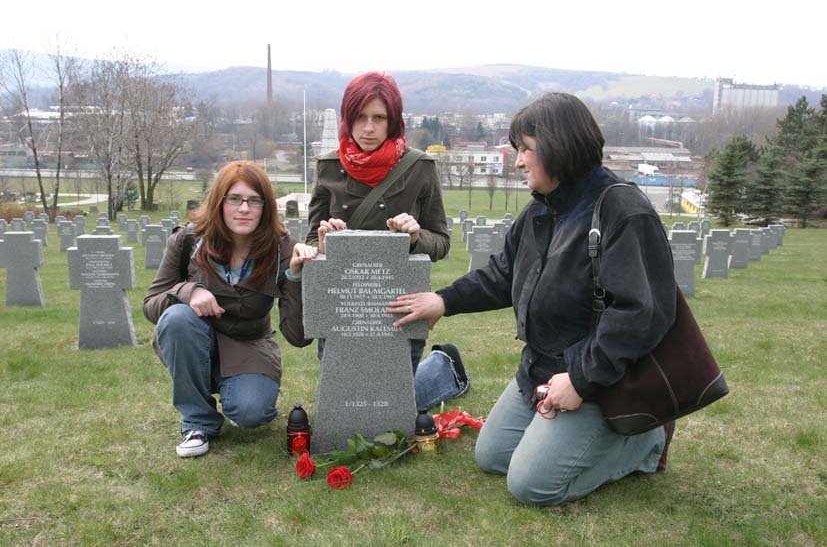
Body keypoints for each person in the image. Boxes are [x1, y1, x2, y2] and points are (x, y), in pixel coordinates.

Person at [389, 93, 676, 505]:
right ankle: (561, 435)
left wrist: (580, 380)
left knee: (530, 485)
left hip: (602, 379)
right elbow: (503, 274)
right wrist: (443, 301)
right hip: (540, 367)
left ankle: (644, 441)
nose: (518, 161)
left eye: (526, 150)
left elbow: (641, 312)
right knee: (492, 456)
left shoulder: (621, 210)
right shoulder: (541, 210)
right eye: (517, 150)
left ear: (560, 147)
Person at [305, 71, 468, 407]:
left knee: (390, 404)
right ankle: (441, 369)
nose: (368, 128)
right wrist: (322, 243)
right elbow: (309, 242)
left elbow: (441, 242)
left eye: (379, 118)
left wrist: (413, 236)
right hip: (343, 304)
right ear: (347, 119)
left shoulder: (419, 167)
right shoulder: (328, 167)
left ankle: (444, 368)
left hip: (399, 305)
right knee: (345, 403)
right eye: (360, 117)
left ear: (392, 121)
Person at [144, 161, 316, 457]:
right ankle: (197, 421)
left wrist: (296, 276)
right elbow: (151, 304)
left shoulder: (282, 248)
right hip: (199, 338)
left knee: (252, 414)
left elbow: (299, 337)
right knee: (177, 318)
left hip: (249, 344)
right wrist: (188, 291)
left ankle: (238, 393)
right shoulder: (188, 241)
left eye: (254, 200)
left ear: (265, 206)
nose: (244, 208)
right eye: (234, 199)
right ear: (219, 203)